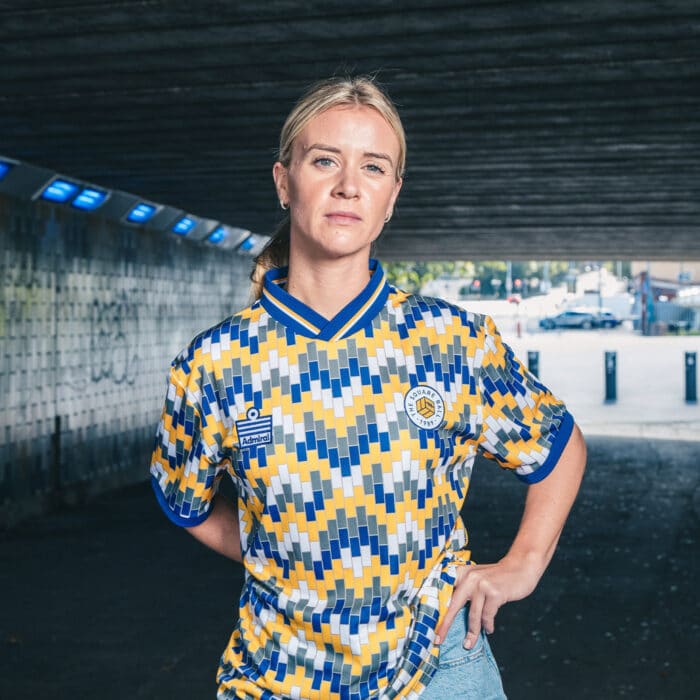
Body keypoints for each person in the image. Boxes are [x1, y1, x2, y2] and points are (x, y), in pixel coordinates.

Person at [150, 75, 586, 700]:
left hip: (442, 670)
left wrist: (524, 563)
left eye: (373, 167)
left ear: (391, 196)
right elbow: (184, 500)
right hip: (278, 679)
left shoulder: (451, 341)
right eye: (325, 160)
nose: (348, 184)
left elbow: (559, 448)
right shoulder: (214, 364)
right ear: (283, 181)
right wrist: (284, 551)